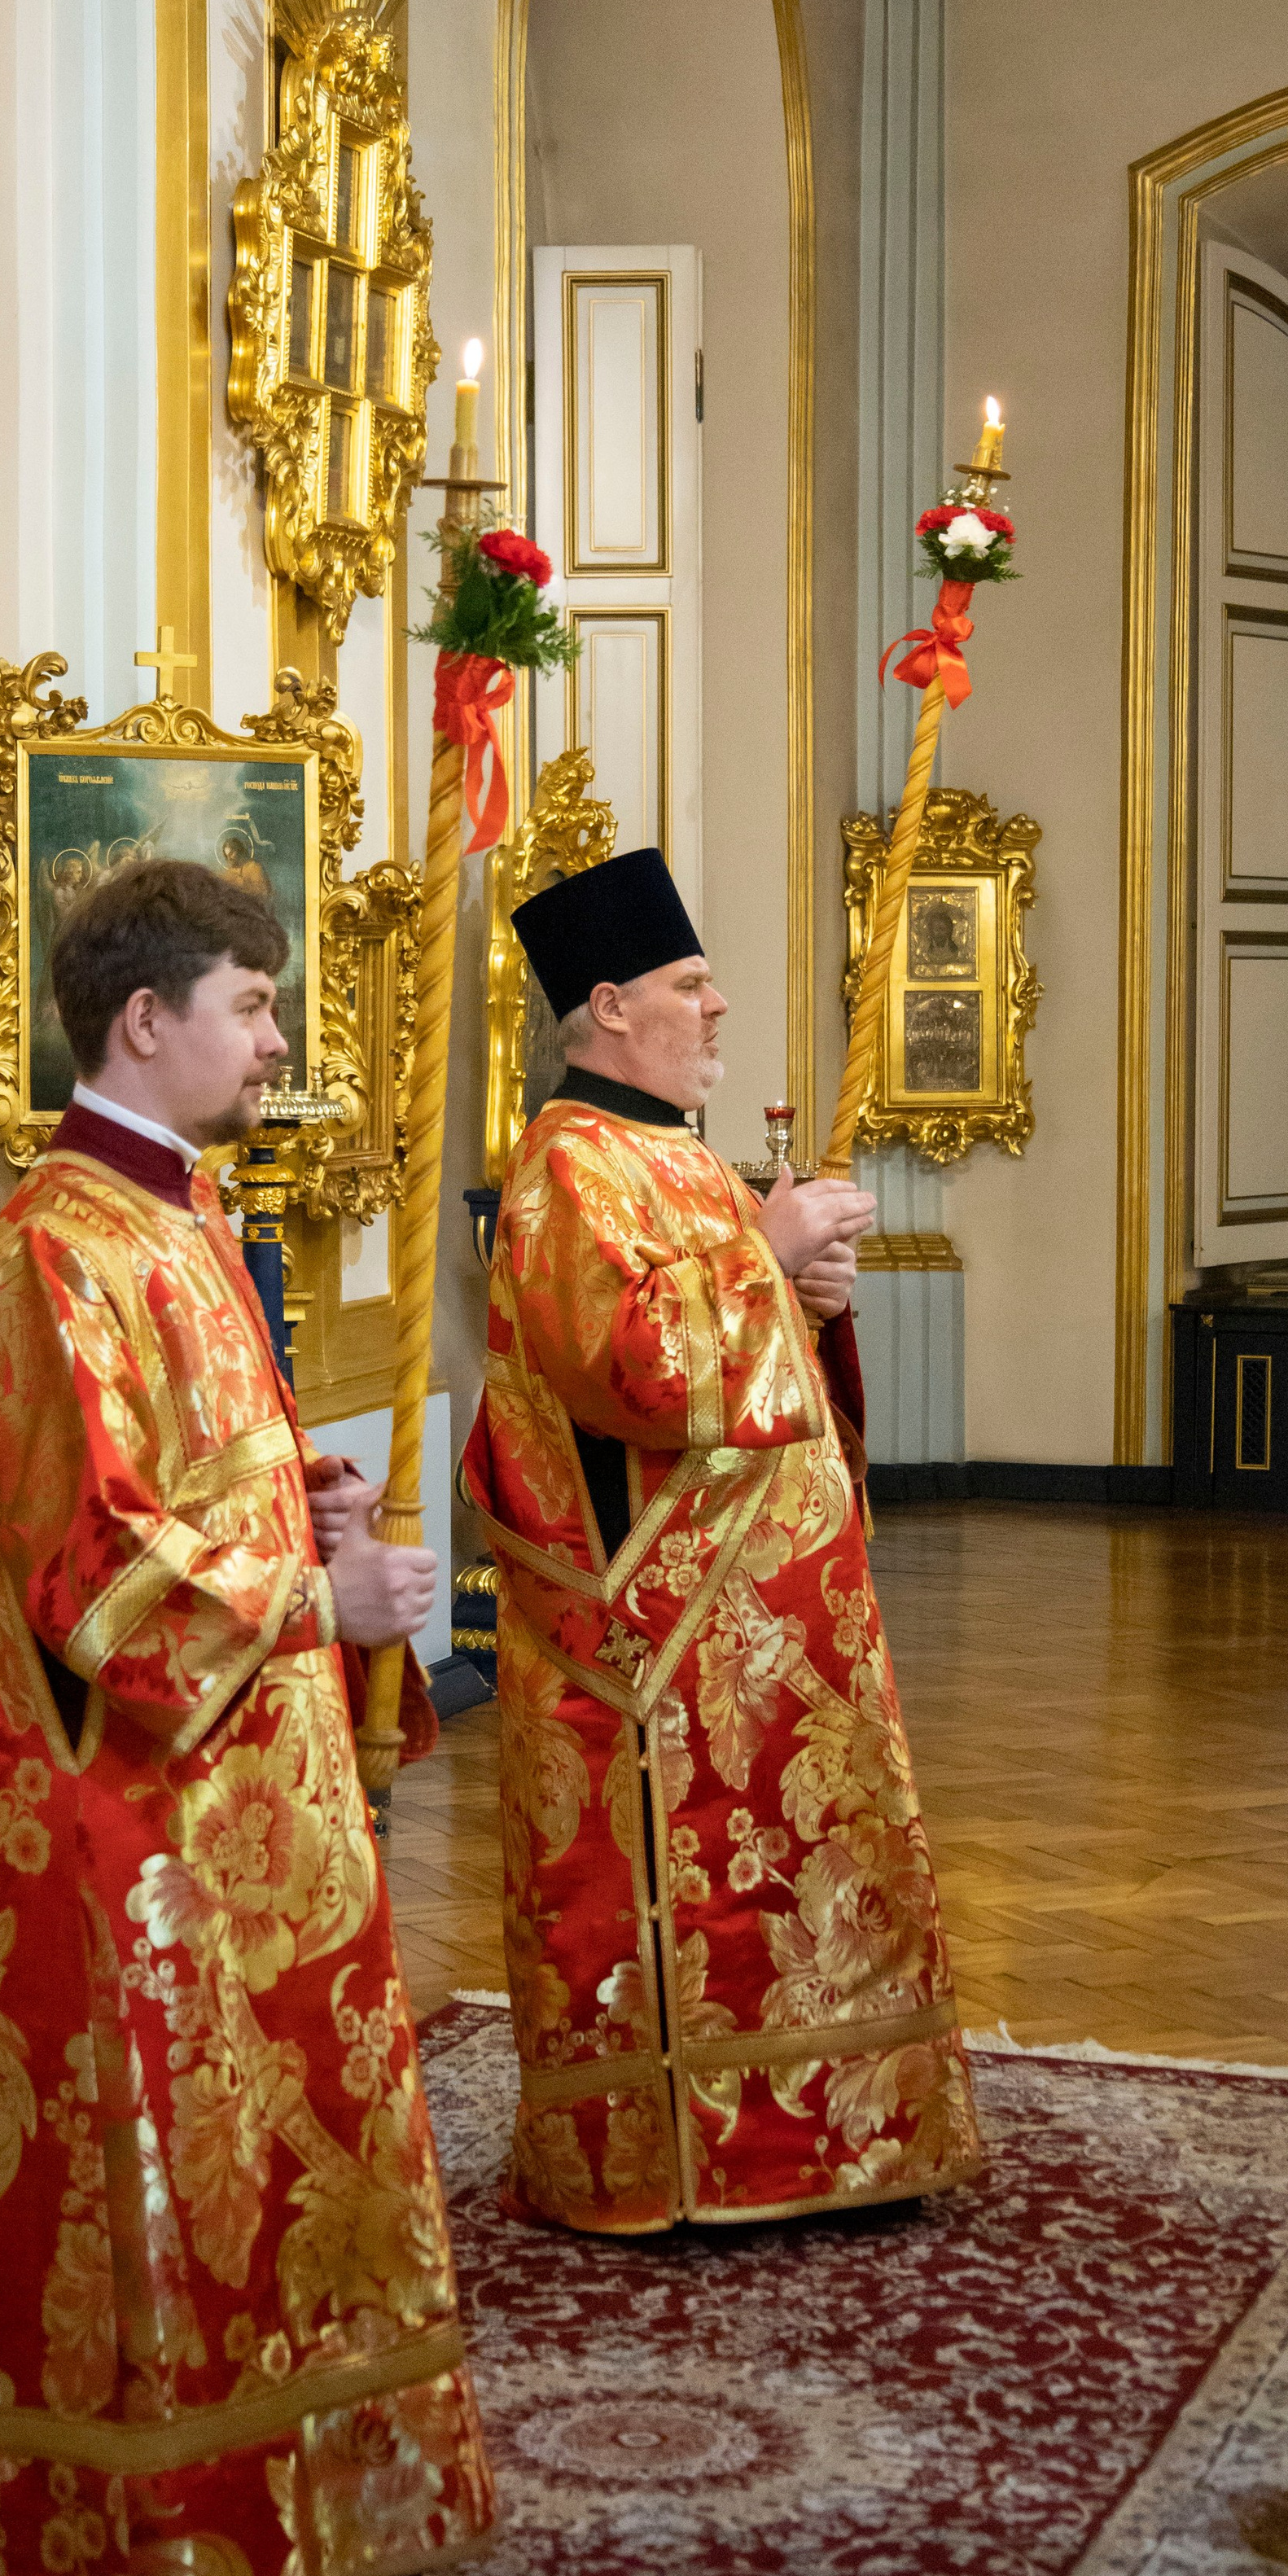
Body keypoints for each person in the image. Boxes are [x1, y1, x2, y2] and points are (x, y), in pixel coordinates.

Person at [0, 856, 494, 2576]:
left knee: (285, 2163)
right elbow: (85, 1571)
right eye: (249, 1006)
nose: (273, 1038)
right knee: (166, 2181)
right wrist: (314, 1590)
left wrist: (293, 1495)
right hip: (133, 1827)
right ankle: (151, 2553)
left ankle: (322, 2503)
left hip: (248, 1802)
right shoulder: (54, 1252)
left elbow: (186, 1483)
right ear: (145, 1022)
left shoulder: (174, 1217)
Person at [462, 846, 982, 2235]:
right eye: (695, 985)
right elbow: (629, 1371)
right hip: (668, 1650)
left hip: (777, 1641)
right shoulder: (569, 1168)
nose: (721, 1006)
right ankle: (711, 2156)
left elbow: (757, 1367)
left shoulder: (669, 1157)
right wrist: (767, 1248)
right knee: (720, 1903)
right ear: (613, 1003)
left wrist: (809, 1297)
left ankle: (834, 2139)